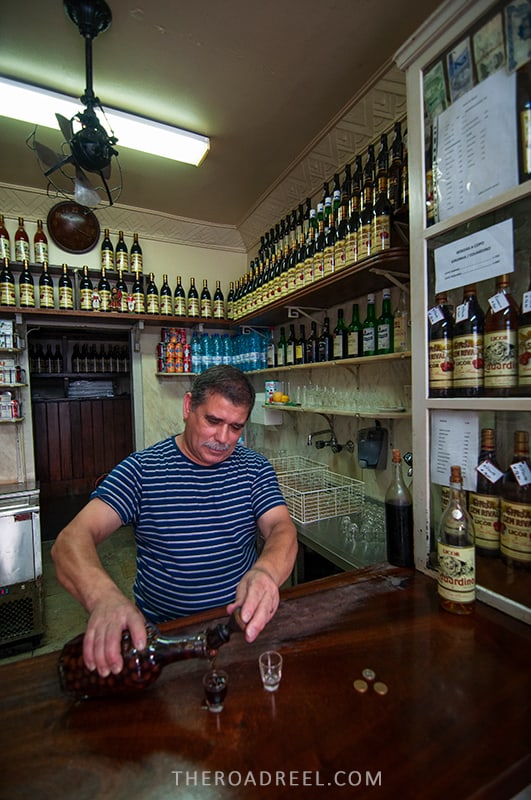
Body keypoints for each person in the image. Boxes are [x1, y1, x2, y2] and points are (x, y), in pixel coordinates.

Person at [52, 365, 298, 678]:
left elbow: (281, 529)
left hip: (236, 629)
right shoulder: (142, 471)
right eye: (213, 420)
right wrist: (104, 597)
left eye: (236, 427)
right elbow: (71, 541)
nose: (223, 438)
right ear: (187, 407)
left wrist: (266, 572)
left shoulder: (254, 468)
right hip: (163, 640)